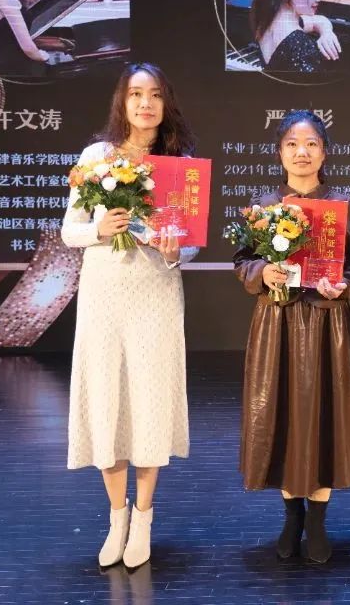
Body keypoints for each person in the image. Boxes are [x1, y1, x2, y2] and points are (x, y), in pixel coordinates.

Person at [62, 62, 199, 569]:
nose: (146, 103)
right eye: (136, 94)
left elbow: (190, 244)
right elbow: (69, 231)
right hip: (104, 295)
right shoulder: (96, 157)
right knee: (108, 401)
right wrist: (100, 228)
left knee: (148, 401)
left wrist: (175, 251)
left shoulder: (180, 165)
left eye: (155, 94)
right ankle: (116, 517)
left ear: (166, 103)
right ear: (122, 101)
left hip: (155, 294)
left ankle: (143, 517)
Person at [233, 110, 350, 563]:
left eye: (312, 143)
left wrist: (344, 285)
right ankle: (291, 516)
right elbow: (242, 260)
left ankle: (316, 520)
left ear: (324, 152)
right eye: (292, 144)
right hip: (276, 323)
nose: (302, 152)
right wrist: (262, 271)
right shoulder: (263, 204)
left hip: (327, 323)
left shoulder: (341, 204)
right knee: (284, 417)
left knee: (323, 418)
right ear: (279, 152)